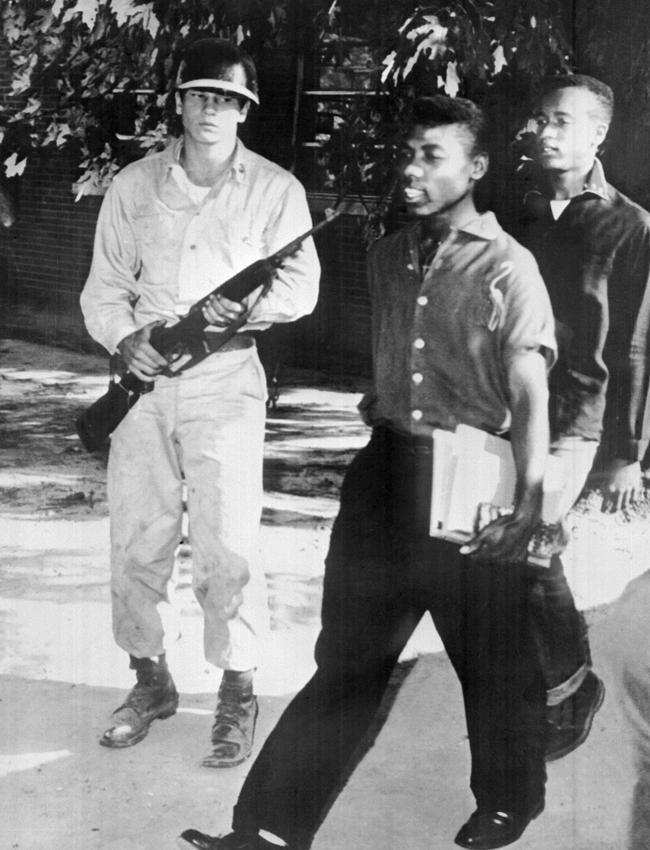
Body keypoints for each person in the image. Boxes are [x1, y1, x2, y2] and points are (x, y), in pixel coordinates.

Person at [178, 94, 557, 850]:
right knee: (347, 658)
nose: (410, 171)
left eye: (432, 157)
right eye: (407, 153)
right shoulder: (387, 255)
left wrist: (533, 500)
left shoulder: (509, 267)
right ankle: (268, 831)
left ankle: (508, 805)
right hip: (384, 475)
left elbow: (529, 390)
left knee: (492, 661)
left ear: (476, 169)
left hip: (472, 479)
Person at [79, 38, 320, 767]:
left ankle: (237, 689)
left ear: (246, 111)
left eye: (229, 99)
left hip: (226, 381)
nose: (213, 109)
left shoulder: (277, 190)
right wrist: (128, 339)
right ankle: (150, 681)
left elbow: (300, 288)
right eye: (201, 95)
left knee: (228, 543)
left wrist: (229, 319)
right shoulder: (133, 185)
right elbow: (102, 290)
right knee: (138, 539)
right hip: (145, 386)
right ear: (180, 103)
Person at [512, 74, 650, 761]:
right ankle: (530, 679)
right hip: (500, 409)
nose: (549, 132)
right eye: (542, 120)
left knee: (535, 545)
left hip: (576, 417)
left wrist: (627, 451)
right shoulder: (512, 208)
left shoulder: (630, 225)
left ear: (599, 133)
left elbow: (633, 342)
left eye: (565, 121)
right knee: (491, 546)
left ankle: (571, 687)